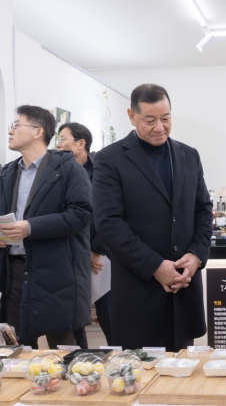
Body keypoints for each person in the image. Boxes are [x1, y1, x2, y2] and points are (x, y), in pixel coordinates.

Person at [92, 84, 212, 351]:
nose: (160, 127)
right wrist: (155, 266)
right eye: (150, 120)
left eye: (165, 118)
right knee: (140, 371)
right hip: (139, 293)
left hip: (184, 289)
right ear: (131, 116)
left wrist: (196, 254)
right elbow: (108, 223)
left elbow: (203, 209)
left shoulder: (189, 155)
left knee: (184, 369)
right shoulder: (110, 159)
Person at [0, 105, 92, 348]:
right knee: (17, 350)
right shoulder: (8, 173)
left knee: (64, 351)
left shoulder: (68, 169)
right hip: (15, 273)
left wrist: (31, 227)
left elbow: (81, 214)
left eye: (16, 125)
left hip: (56, 273)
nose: (10, 131)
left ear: (37, 131)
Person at [57, 122, 113, 347]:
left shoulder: (103, 169)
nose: (58, 145)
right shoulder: (59, 172)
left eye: (62, 139)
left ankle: (121, 358)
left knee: (110, 315)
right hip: (70, 255)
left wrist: (96, 249)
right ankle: (81, 360)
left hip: (102, 256)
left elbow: (111, 213)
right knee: (75, 318)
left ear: (81, 143)